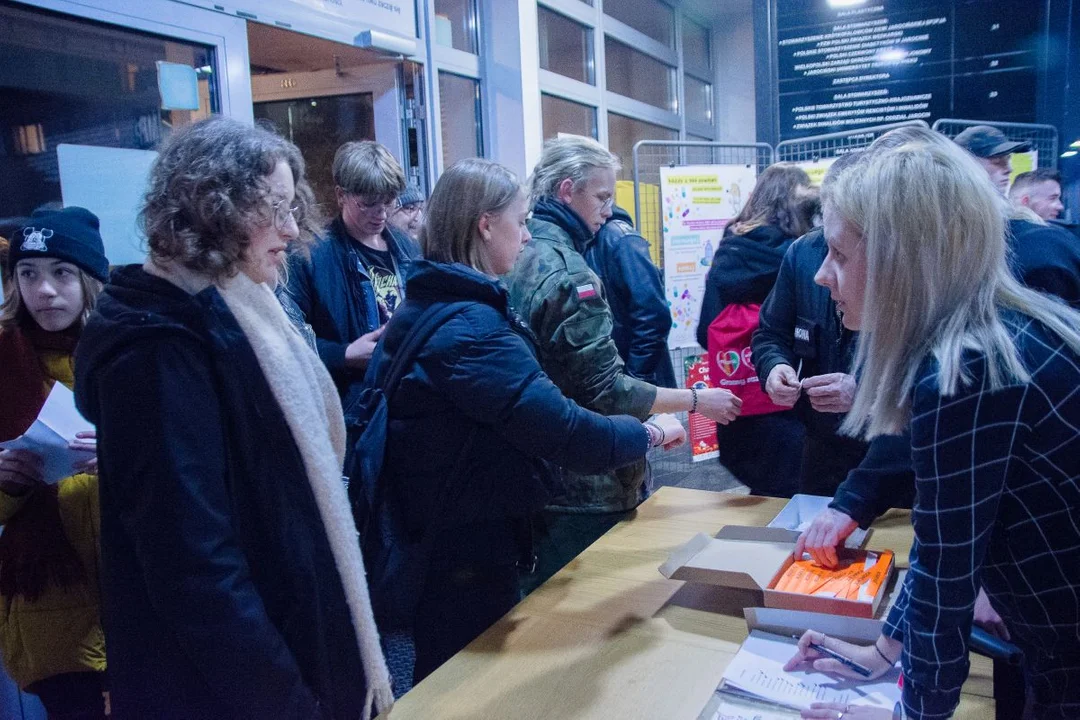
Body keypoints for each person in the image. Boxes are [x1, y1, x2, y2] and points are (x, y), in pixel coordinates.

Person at [73, 117, 393, 719]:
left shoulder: (242, 308)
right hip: (225, 691)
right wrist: (291, 703)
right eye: (272, 208)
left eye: (291, 207)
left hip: (276, 650)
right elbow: (196, 570)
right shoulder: (159, 345)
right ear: (211, 208)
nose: (292, 228)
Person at [785, 127, 1080, 719]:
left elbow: (947, 587)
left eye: (840, 254)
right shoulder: (983, 339)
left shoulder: (964, 370)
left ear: (905, 260)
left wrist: (909, 713)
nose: (822, 275)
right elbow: (948, 539)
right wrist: (885, 649)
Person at [369, 157, 686, 681]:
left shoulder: (431, 302)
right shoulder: (471, 329)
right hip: (465, 543)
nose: (526, 238)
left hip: (443, 529)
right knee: (467, 679)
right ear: (485, 225)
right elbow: (565, 431)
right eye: (519, 222)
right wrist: (649, 432)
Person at [503, 135, 742, 593]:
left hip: (538, 471)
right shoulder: (568, 273)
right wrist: (694, 401)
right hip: (585, 484)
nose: (609, 210)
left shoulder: (521, 253)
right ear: (566, 190)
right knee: (593, 613)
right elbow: (605, 389)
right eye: (602, 196)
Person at [0, 207, 108, 719]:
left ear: (89, 280)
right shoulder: (4, 363)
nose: (43, 290)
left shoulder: (124, 357)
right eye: (28, 274)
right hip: (52, 613)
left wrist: (119, 462)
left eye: (61, 273)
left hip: (137, 598)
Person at [750, 153, 877, 499]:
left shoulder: (892, 261)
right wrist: (775, 367)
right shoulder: (802, 254)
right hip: (822, 448)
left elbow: (924, 372)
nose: (824, 276)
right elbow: (769, 334)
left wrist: (863, 392)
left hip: (888, 449)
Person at [697, 163, 819, 497]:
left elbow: (703, 331)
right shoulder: (803, 255)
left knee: (763, 497)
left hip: (739, 409)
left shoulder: (729, 248)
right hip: (791, 407)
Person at [285, 140, 419, 399]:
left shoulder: (405, 247)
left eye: (389, 202)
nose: (380, 214)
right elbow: (288, 342)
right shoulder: (310, 255)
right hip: (352, 404)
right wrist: (344, 355)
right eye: (368, 203)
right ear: (340, 195)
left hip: (405, 398)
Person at [586, 206, 676, 388]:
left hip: (631, 383)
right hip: (606, 382)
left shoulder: (618, 238)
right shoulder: (577, 241)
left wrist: (636, 381)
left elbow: (653, 317)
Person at [952, 124, 1032, 196]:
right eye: (997, 161)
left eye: (1008, 159)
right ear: (967, 165)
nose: (1009, 169)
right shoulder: (948, 208)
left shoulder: (1002, 208)